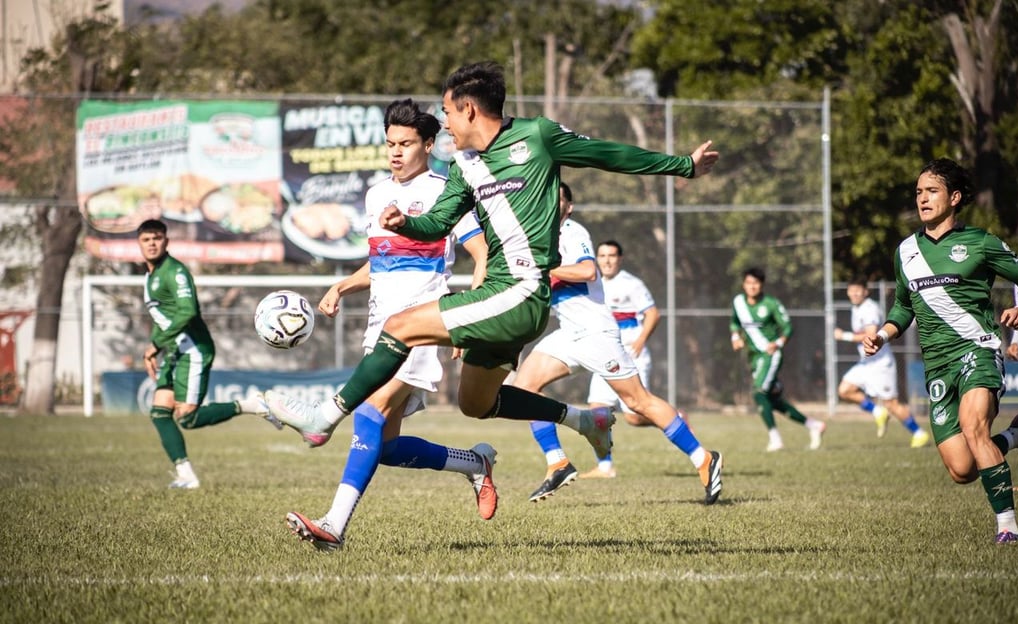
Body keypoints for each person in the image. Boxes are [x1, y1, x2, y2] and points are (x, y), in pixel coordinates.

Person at [265, 61, 720, 513]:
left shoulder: (537, 136)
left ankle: (324, 418)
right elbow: (437, 222)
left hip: (522, 291)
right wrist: (407, 223)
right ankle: (586, 421)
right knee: (476, 404)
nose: (444, 123)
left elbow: (608, 154)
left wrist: (684, 166)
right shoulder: (463, 166)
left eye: (447, 112)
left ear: (468, 110)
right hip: (502, 299)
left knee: (400, 327)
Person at [283, 99, 496, 552]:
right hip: (380, 328)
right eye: (390, 144)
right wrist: (342, 286)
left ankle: (334, 526)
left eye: (405, 144)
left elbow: (482, 256)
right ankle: (475, 463)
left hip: (420, 325)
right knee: (385, 445)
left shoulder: (447, 191)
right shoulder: (376, 195)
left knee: (369, 412)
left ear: (428, 144)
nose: (395, 152)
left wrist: (466, 319)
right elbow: (382, 262)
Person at [513, 183, 722, 505]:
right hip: (569, 333)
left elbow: (588, 270)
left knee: (638, 403)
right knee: (523, 389)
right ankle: (558, 461)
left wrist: (544, 268)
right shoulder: (539, 238)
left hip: (596, 333)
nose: (551, 203)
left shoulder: (571, 231)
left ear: (569, 207)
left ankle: (703, 458)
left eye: (559, 199)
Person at [863, 158, 1018, 544]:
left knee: (974, 427)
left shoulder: (980, 242)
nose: (922, 198)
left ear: (954, 198)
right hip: (937, 366)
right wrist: (882, 335)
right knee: (962, 469)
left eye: (931, 191)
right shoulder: (905, 251)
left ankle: (1007, 527)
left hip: (978, 350)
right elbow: (903, 308)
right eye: (918, 192)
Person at [137, 219, 282, 490]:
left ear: (166, 241)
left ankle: (251, 405)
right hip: (175, 350)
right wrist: (154, 348)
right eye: (146, 239)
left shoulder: (175, 271)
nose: (152, 243)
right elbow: (161, 317)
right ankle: (185, 475)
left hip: (193, 349)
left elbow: (187, 311)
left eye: (157, 238)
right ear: (139, 243)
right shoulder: (150, 276)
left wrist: (156, 344)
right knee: (159, 412)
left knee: (187, 418)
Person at [579, 238, 661, 478]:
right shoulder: (592, 283)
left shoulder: (631, 284)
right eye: (602, 256)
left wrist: (641, 340)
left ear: (620, 259)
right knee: (597, 413)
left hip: (630, 356)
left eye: (612, 256)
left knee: (634, 417)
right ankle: (605, 466)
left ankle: (674, 419)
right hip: (604, 355)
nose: (607, 261)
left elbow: (653, 314)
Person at [730, 267, 826, 451]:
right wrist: (735, 337)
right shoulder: (739, 302)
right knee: (771, 400)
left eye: (756, 283)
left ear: (762, 285)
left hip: (770, 355)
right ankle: (813, 425)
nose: (752, 287)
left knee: (758, 392)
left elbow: (788, 327)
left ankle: (775, 439)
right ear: (743, 284)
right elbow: (734, 322)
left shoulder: (771, 304)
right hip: (754, 358)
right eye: (749, 283)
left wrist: (778, 343)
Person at [834, 278, 930, 447]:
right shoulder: (857, 308)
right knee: (844, 390)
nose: (854, 293)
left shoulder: (870, 309)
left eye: (858, 290)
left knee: (891, 404)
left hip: (880, 364)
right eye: (851, 290)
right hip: (866, 363)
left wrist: (844, 336)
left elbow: (870, 335)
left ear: (865, 291)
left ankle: (919, 433)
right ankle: (878, 411)